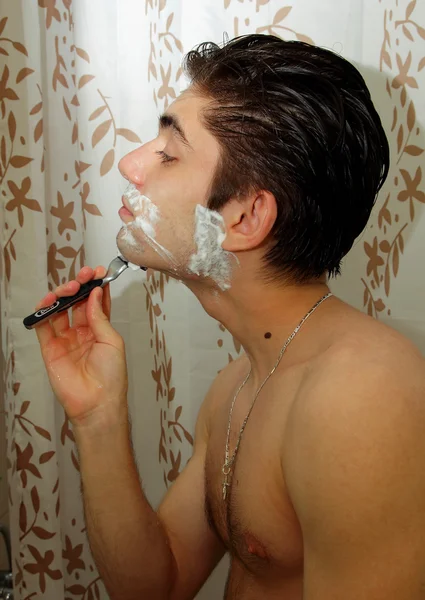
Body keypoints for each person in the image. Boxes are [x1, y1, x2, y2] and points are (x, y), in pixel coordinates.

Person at [34, 35, 425, 600]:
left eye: (168, 153)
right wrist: (97, 418)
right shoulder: (237, 385)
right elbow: (156, 586)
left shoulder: (364, 396)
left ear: (244, 217)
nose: (131, 163)